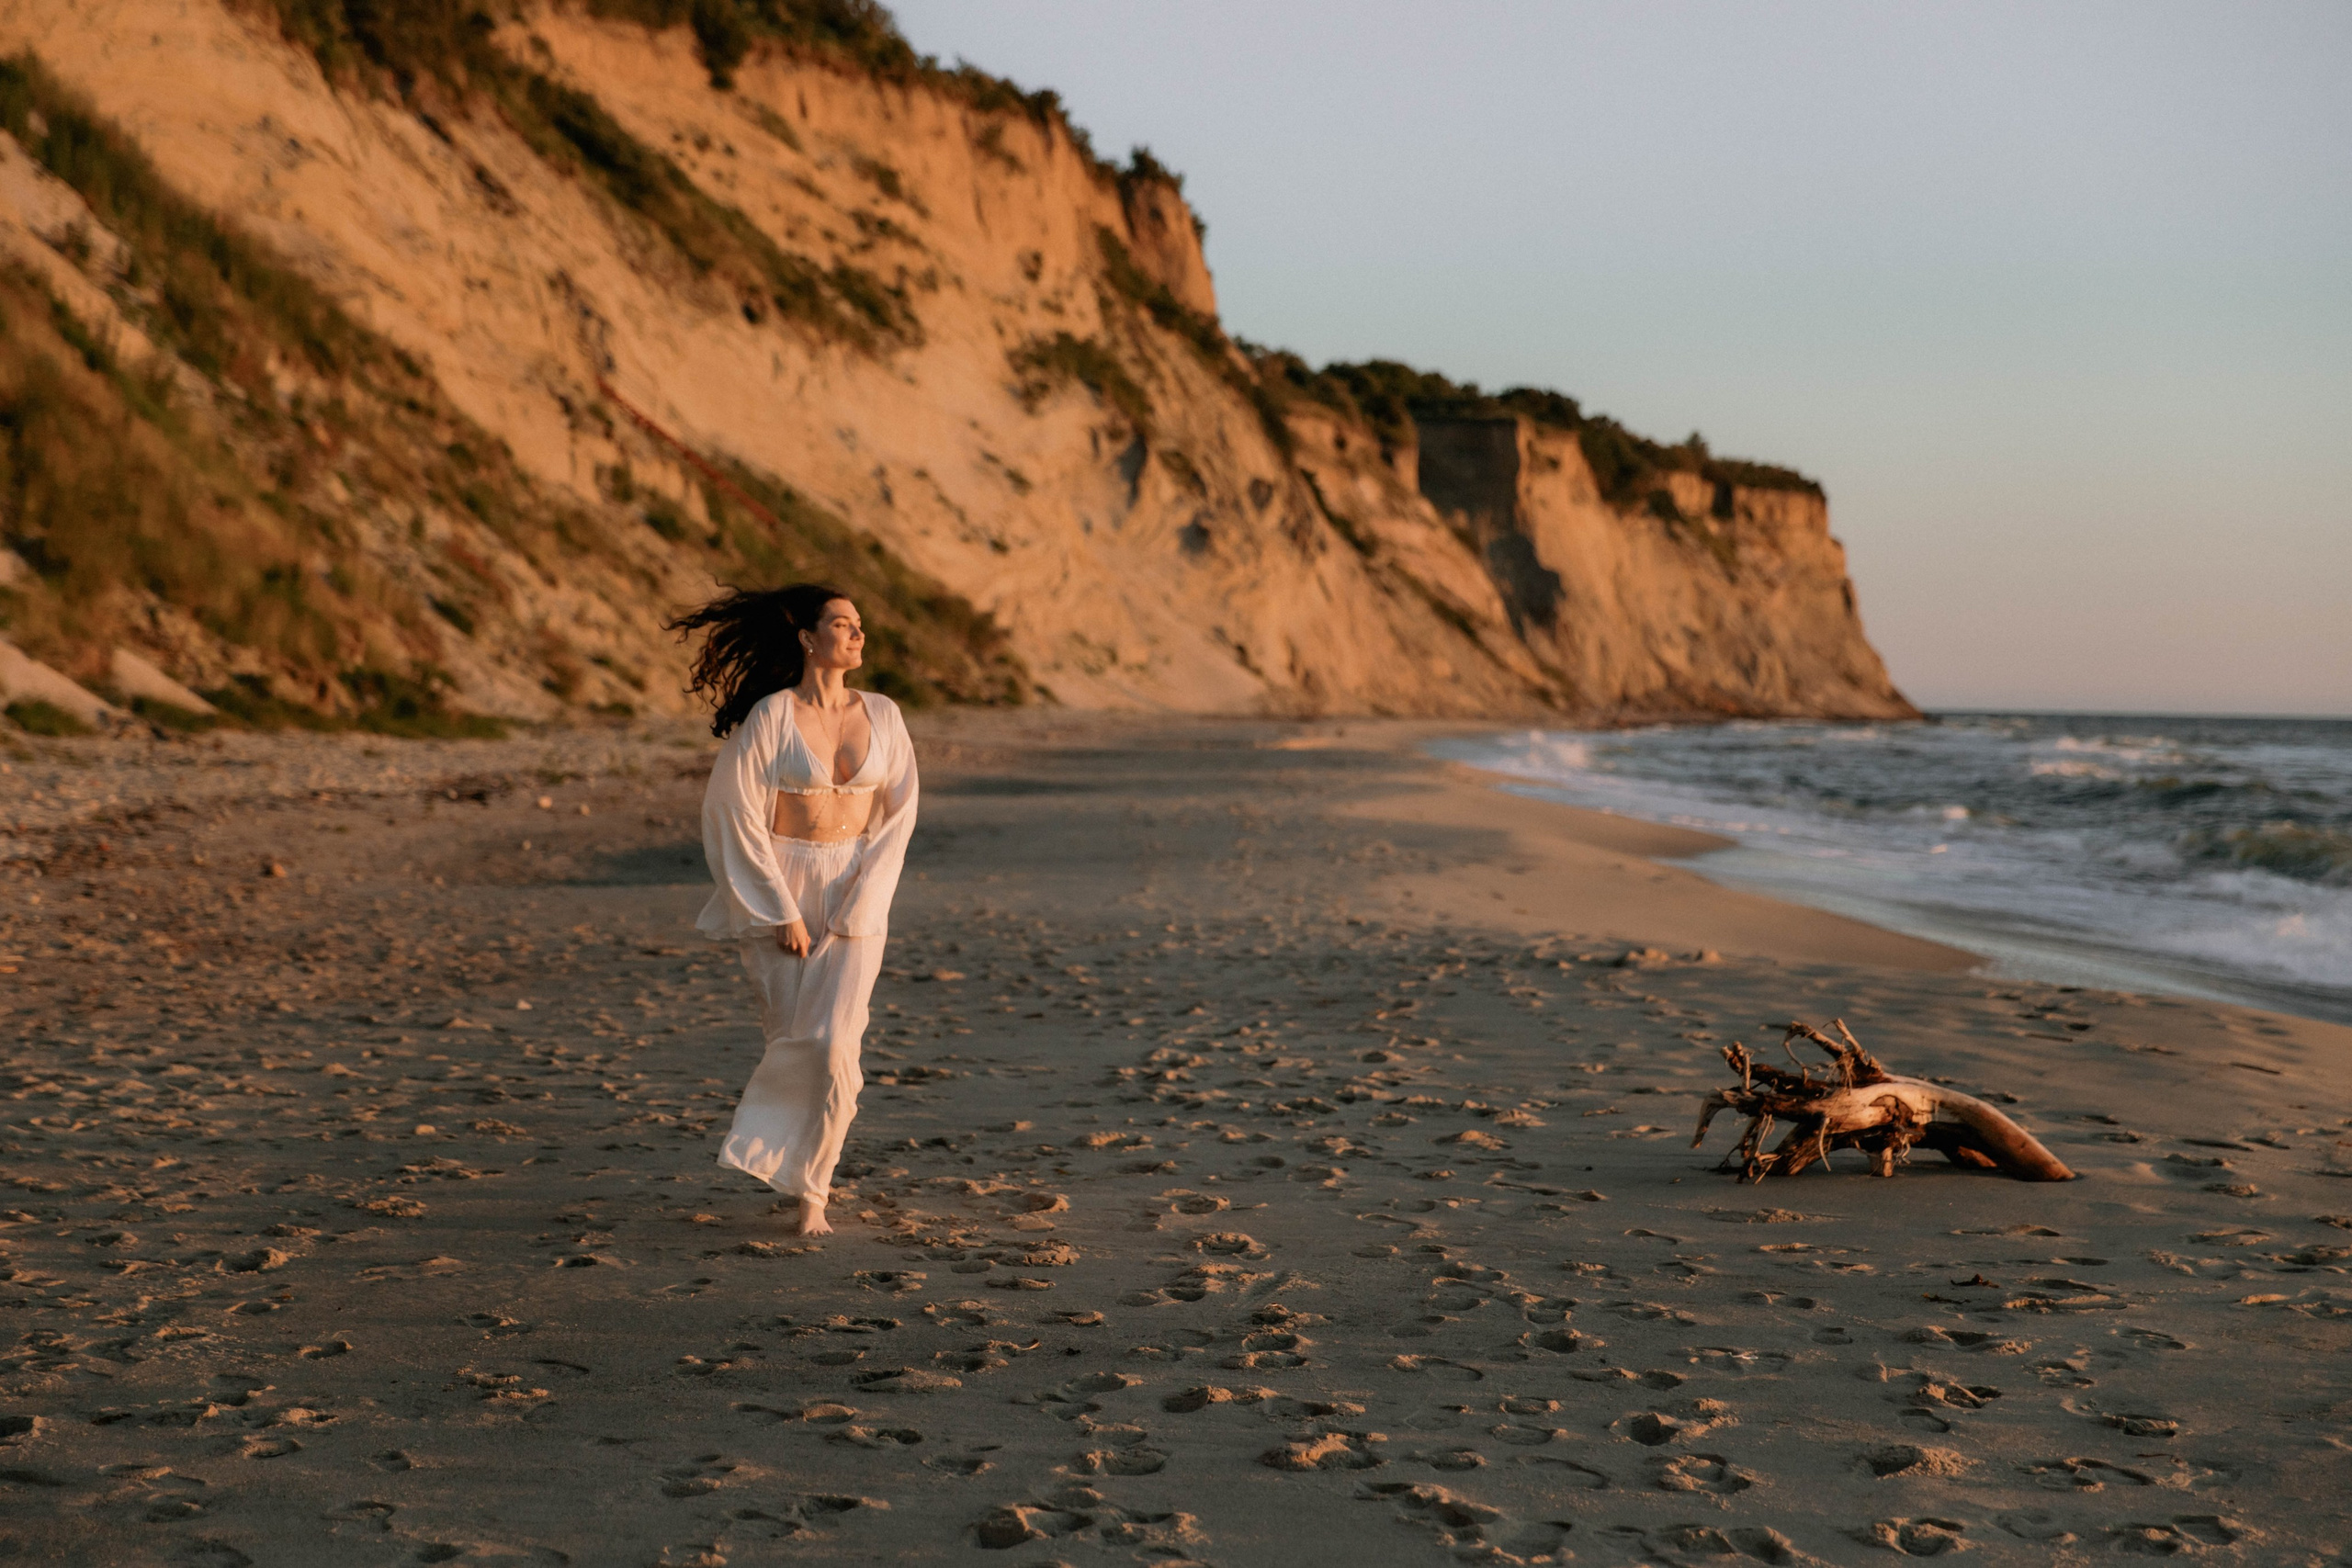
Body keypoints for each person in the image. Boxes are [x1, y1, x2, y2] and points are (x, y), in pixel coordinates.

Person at [668, 583, 919, 1236]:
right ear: (808, 639)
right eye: (842, 623)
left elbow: (900, 814)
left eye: (860, 623)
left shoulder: (885, 715)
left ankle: (814, 1189)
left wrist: (865, 895)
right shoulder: (772, 717)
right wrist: (779, 908)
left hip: (856, 882)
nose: (858, 634)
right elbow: (733, 811)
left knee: (838, 1043)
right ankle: (783, 1157)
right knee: (791, 1038)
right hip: (781, 880)